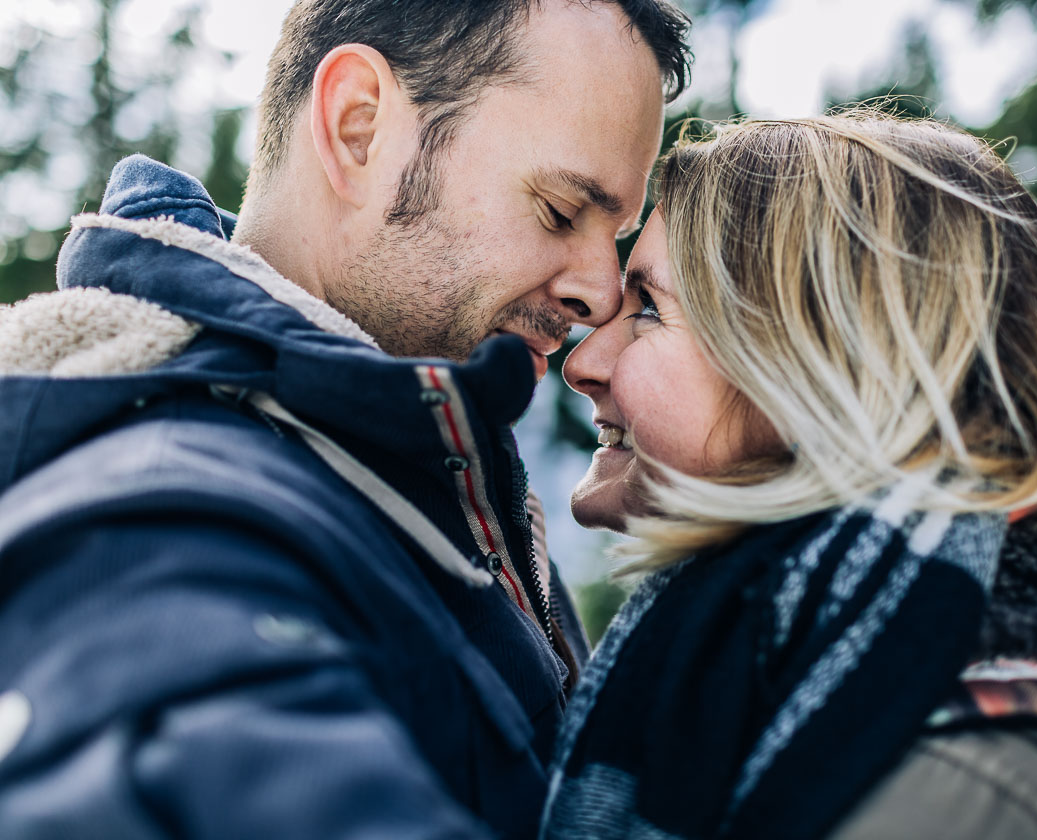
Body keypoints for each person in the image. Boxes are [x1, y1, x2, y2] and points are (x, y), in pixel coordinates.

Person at [0, 1, 689, 838]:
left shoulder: (438, 474)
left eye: (615, 236)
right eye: (558, 210)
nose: (601, 294)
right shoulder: (158, 512)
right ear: (360, 126)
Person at [543, 112, 1037, 839]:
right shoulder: (842, 702)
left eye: (649, 312)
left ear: (838, 373)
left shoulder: (952, 793)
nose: (581, 364)